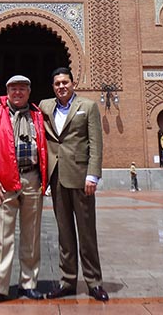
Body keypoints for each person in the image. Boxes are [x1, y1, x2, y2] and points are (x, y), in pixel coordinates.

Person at [0, 75, 48, 307]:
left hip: (32, 180)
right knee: (2, 236)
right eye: (14, 89)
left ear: (29, 92)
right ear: (7, 91)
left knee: (32, 236)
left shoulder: (38, 115)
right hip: (4, 183)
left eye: (23, 89)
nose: (18, 93)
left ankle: (29, 283)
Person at [39, 67, 109, 302]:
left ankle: (94, 282)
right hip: (57, 177)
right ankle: (67, 281)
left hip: (81, 178)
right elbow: (25, 112)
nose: (61, 86)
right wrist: (0, 106)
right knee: (65, 233)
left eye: (65, 82)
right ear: (53, 87)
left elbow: (95, 143)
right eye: (57, 83)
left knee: (87, 232)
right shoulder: (45, 106)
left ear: (73, 83)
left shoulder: (87, 106)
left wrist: (93, 176)